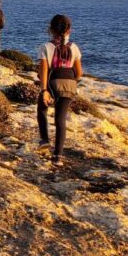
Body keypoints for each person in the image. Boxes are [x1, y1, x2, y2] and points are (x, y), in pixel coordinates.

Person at [36, 14, 83, 166]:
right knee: (60, 119)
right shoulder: (74, 47)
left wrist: (44, 90)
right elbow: (79, 72)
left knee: (42, 108)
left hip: (52, 82)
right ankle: (58, 156)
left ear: (50, 29)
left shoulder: (46, 47)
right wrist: (71, 82)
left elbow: (43, 70)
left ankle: (44, 140)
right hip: (70, 83)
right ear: (69, 30)